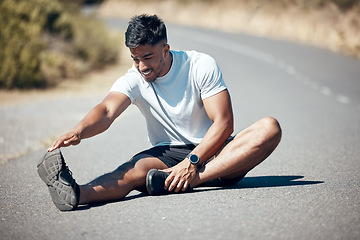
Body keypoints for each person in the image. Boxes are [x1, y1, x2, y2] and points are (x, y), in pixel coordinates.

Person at [37, 14, 282, 211]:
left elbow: (224, 124)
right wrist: (79, 130)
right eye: (135, 59)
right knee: (131, 171)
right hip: (165, 154)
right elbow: (106, 110)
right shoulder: (134, 79)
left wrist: (191, 163)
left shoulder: (199, 65)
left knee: (269, 127)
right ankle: (75, 193)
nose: (142, 66)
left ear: (165, 49)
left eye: (147, 57)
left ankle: (190, 179)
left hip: (214, 150)